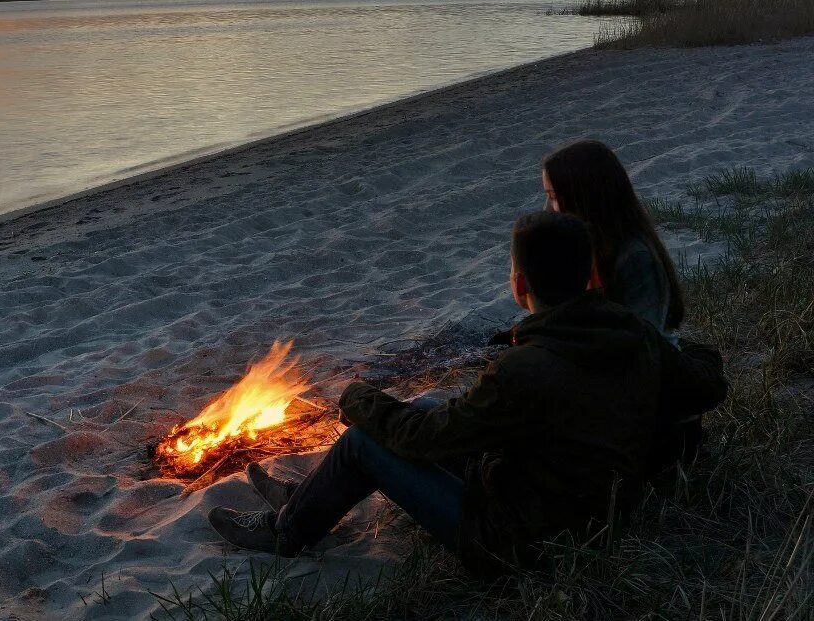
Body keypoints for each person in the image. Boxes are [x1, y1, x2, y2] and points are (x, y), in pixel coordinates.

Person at [207, 212, 727, 577]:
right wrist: (670, 347)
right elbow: (708, 382)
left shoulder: (527, 368)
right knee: (431, 405)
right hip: (585, 506)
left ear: (520, 284)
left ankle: (286, 531)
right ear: (591, 277)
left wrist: (359, 397)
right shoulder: (633, 338)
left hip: (519, 542)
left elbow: (425, 440)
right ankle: (307, 500)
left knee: (365, 444)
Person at [541, 139, 685, 337]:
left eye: (554, 197)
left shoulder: (635, 258)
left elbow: (642, 340)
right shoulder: (587, 249)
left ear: (585, 197)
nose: (547, 209)